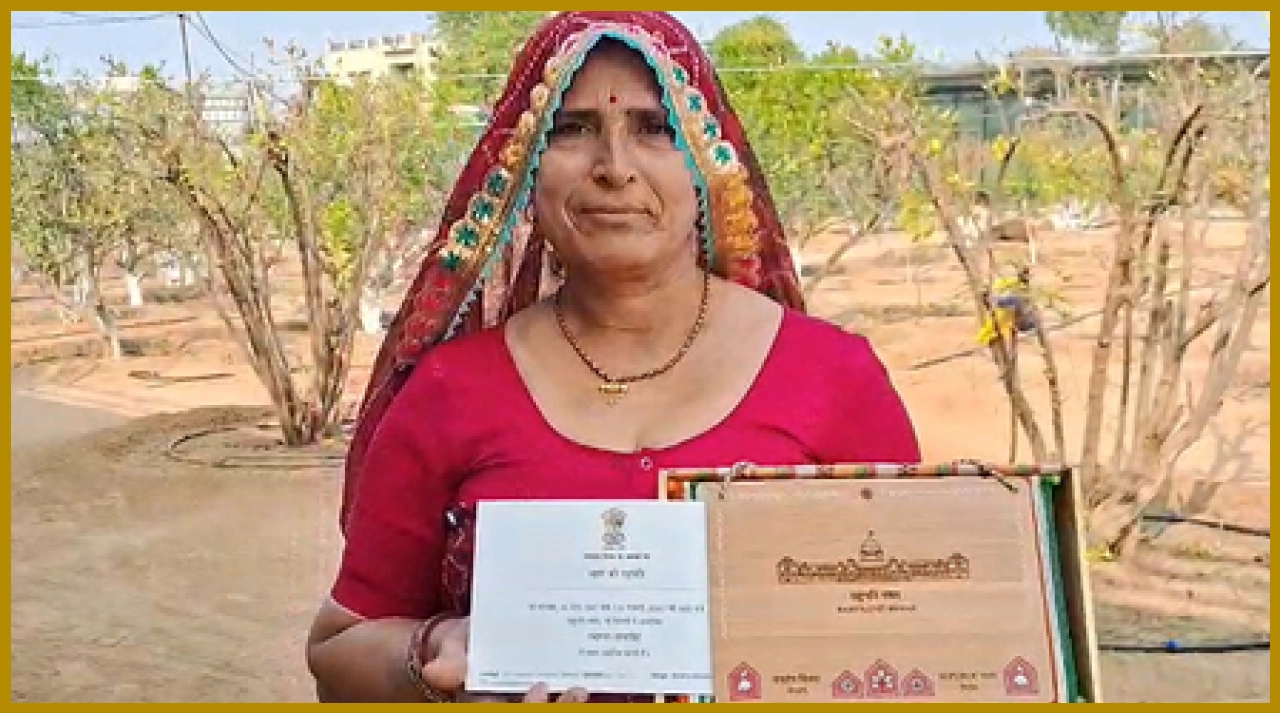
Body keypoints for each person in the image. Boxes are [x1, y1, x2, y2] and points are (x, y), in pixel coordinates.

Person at [305, 11, 921, 704]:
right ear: (525, 167)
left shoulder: (833, 376)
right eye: (573, 129)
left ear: (707, 162)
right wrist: (433, 653)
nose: (615, 168)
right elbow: (336, 650)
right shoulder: (452, 389)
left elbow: (922, 621)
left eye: (654, 128)